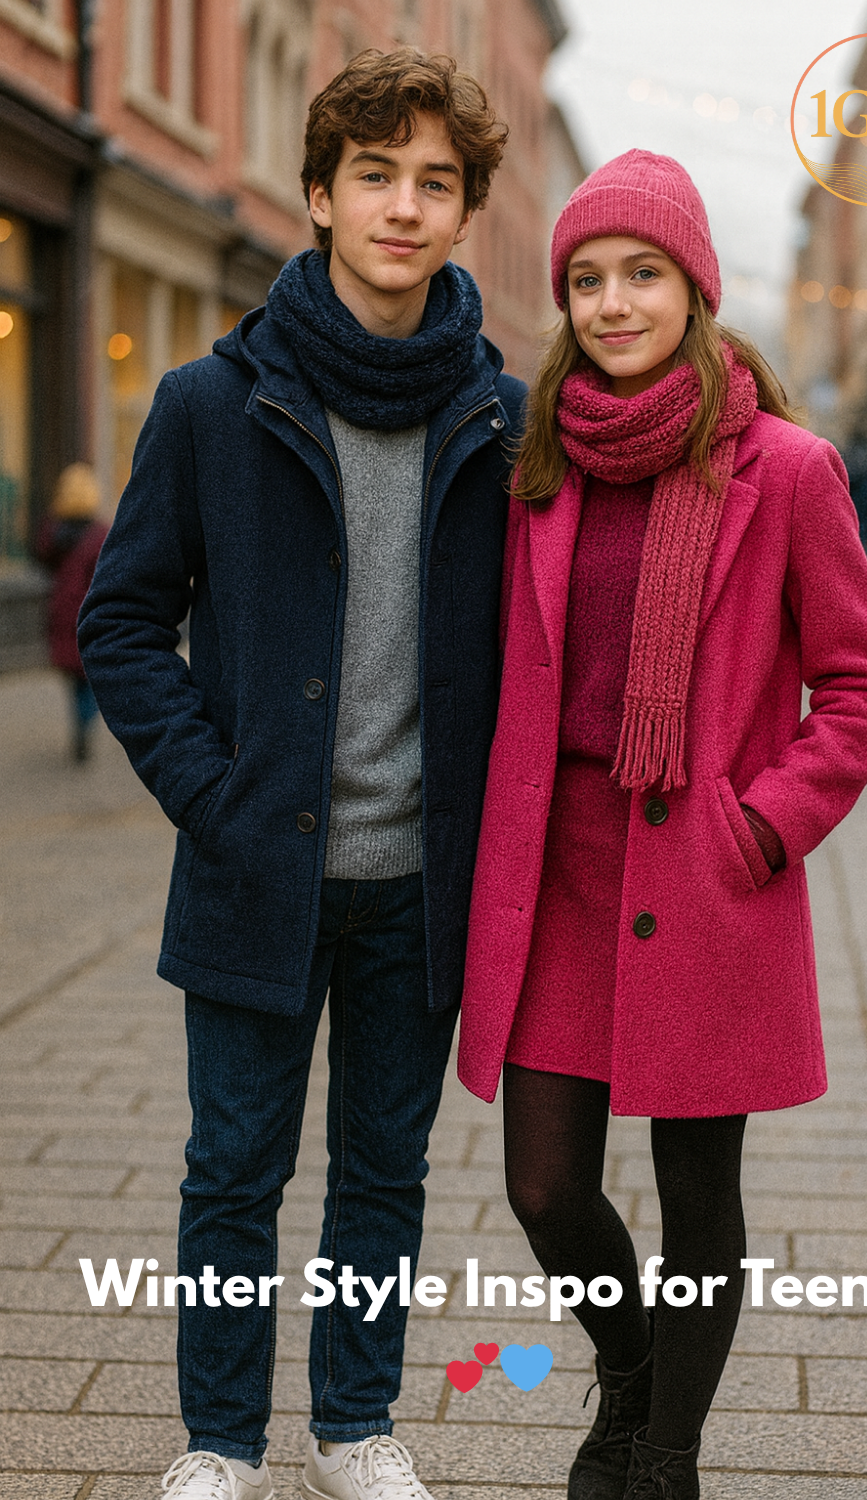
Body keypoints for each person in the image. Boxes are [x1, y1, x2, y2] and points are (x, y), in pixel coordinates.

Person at [78, 48, 521, 1500]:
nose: (404, 206)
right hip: (254, 866)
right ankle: (216, 1442)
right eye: (375, 176)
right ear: (319, 194)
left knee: (383, 1179)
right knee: (231, 1176)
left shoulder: (505, 419)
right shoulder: (216, 402)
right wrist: (216, 797)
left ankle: (350, 1426)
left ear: (463, 216)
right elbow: (123, 621)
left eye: (435, 184)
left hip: (420, 885)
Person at [457, 151, 867, 1500]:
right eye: (587, 279)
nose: (611, 302)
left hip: (704, 877)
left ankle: (664, 1453)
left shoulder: (789, 470)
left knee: (697, 1190)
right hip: (557, 876)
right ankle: (635, 1360)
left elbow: (865, 686)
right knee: (546, 1187)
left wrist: (761, 827)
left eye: (641, 274)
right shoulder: (538, 461)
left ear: (696, 289)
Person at [34, 462, 109, 762]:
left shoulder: (53, 531)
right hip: (88, 612)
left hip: (62, 611)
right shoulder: (100, 534)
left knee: (75, 677)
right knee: (91, 675)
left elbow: (43, 558)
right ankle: (86, 722)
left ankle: (81, 724)